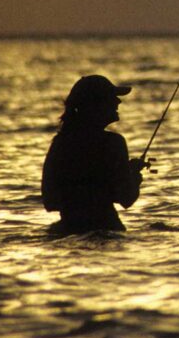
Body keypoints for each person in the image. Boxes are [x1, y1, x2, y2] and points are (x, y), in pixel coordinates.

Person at [42, 74, 146, 234]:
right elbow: (126, 198)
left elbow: (49, 201)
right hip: (107, 228)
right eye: (112, 97)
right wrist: (134, 177)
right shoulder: (113, 143)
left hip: (67, 230)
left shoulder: (60, 143)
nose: (118, 102)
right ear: (97, 104)